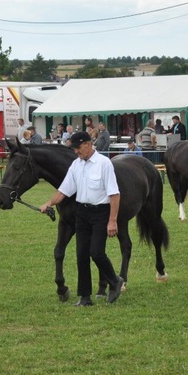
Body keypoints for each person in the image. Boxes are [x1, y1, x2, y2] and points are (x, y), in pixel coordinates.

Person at [39, 131, 124, 306]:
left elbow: (114, 194)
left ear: (87, 144)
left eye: (78, 148)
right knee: (81, 255)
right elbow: (64, 190)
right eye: (74, 149)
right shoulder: (76, 165)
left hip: (101, 212)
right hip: (82, 213)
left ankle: (115, 281)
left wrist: (112, 220)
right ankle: (85, 297)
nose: (76, 152)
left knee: (96, 252)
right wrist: (49, 203)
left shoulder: (104, 164)